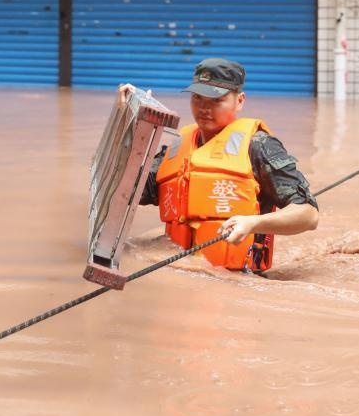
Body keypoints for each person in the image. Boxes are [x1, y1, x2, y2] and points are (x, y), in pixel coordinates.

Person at [131, 58, 319, 273]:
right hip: (181, 270)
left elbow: (308, 215)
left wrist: (252, 224)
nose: (204, 108)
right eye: (197, 98)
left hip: (239, 279)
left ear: (239, 101)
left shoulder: (258, 146)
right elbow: (131, 191)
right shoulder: (179, 146)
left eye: (215, 100)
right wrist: (131, 126)